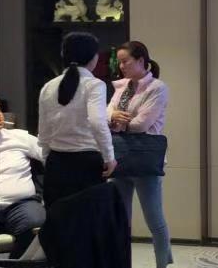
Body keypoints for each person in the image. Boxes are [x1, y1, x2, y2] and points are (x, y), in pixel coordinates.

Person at [107, 41, 172, 268]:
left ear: (141, 61)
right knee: (121, 219)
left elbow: (142, 124)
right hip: (120, 158)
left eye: (125, 61)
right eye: (119, 62)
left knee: (154, 219)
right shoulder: (121, 87)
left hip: (144, 160)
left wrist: (116, 120)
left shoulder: (157, 88)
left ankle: (162, 264)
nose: (121, 66)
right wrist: (112, 117)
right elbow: (107, 114)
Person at [38, 32, 117, 208]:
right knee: (88, 219)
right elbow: (97, 122)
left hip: (56, 162)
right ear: (93, 57)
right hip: (87, 162)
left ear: (63, 55)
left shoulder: (48, 87)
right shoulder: (94, 85)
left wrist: (47, 159)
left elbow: (43, 132)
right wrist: (109, 157)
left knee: (58, 218)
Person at [0, 101, 45, 258]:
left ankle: (16, 264)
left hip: (20, 205)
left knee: (36, 222)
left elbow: (50, 156)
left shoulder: (19, 137)